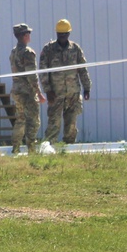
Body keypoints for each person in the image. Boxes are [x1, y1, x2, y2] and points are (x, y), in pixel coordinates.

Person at [39, 19, 92, 145]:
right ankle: (49, 148)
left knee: (71, 124)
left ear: (69, 34)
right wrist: (48, 90)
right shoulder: (48, 49)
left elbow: (83, 69)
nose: (62, 36)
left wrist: (87, 88)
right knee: (54, 123)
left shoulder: (75, 49)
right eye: (60, 34)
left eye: (65, 34)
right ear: (56, 33)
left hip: (73, 94)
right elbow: (43, 71)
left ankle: (68, 148)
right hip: (55, 94)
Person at [9, 23, 46, 154]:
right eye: (28, 33)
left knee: (20, 119)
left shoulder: (13, 52)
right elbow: (32, 75)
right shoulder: (28, 53)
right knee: (33, 120)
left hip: (17, 91)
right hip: (27, 92)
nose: (29, 35)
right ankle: (31, 148)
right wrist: (39, 93)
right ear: (25, 35)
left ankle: (16, 148)